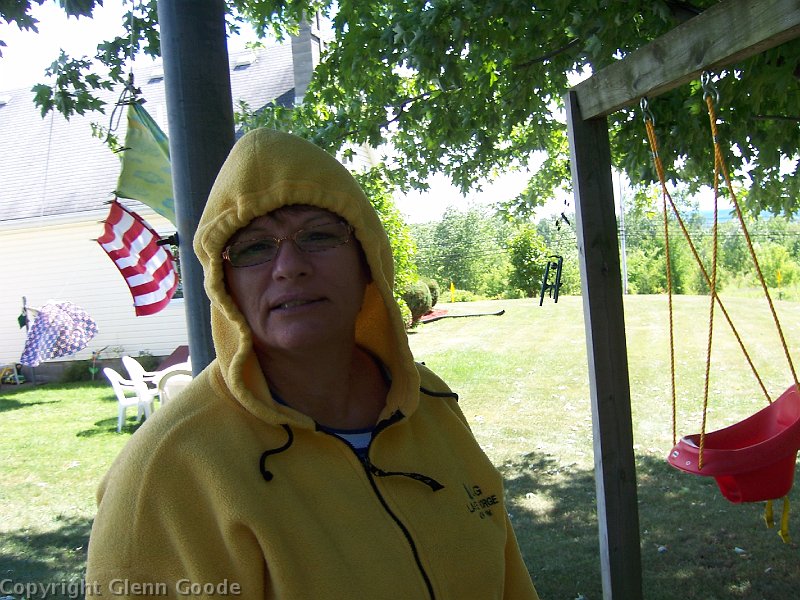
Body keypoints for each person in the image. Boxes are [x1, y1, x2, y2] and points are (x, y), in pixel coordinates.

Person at [85, 128, 539, 599]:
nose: (288, 266)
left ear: (368, 262)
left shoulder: (431, 403)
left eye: (319, 235)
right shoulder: (164, 475)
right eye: (254, 247)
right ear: (224, 286)